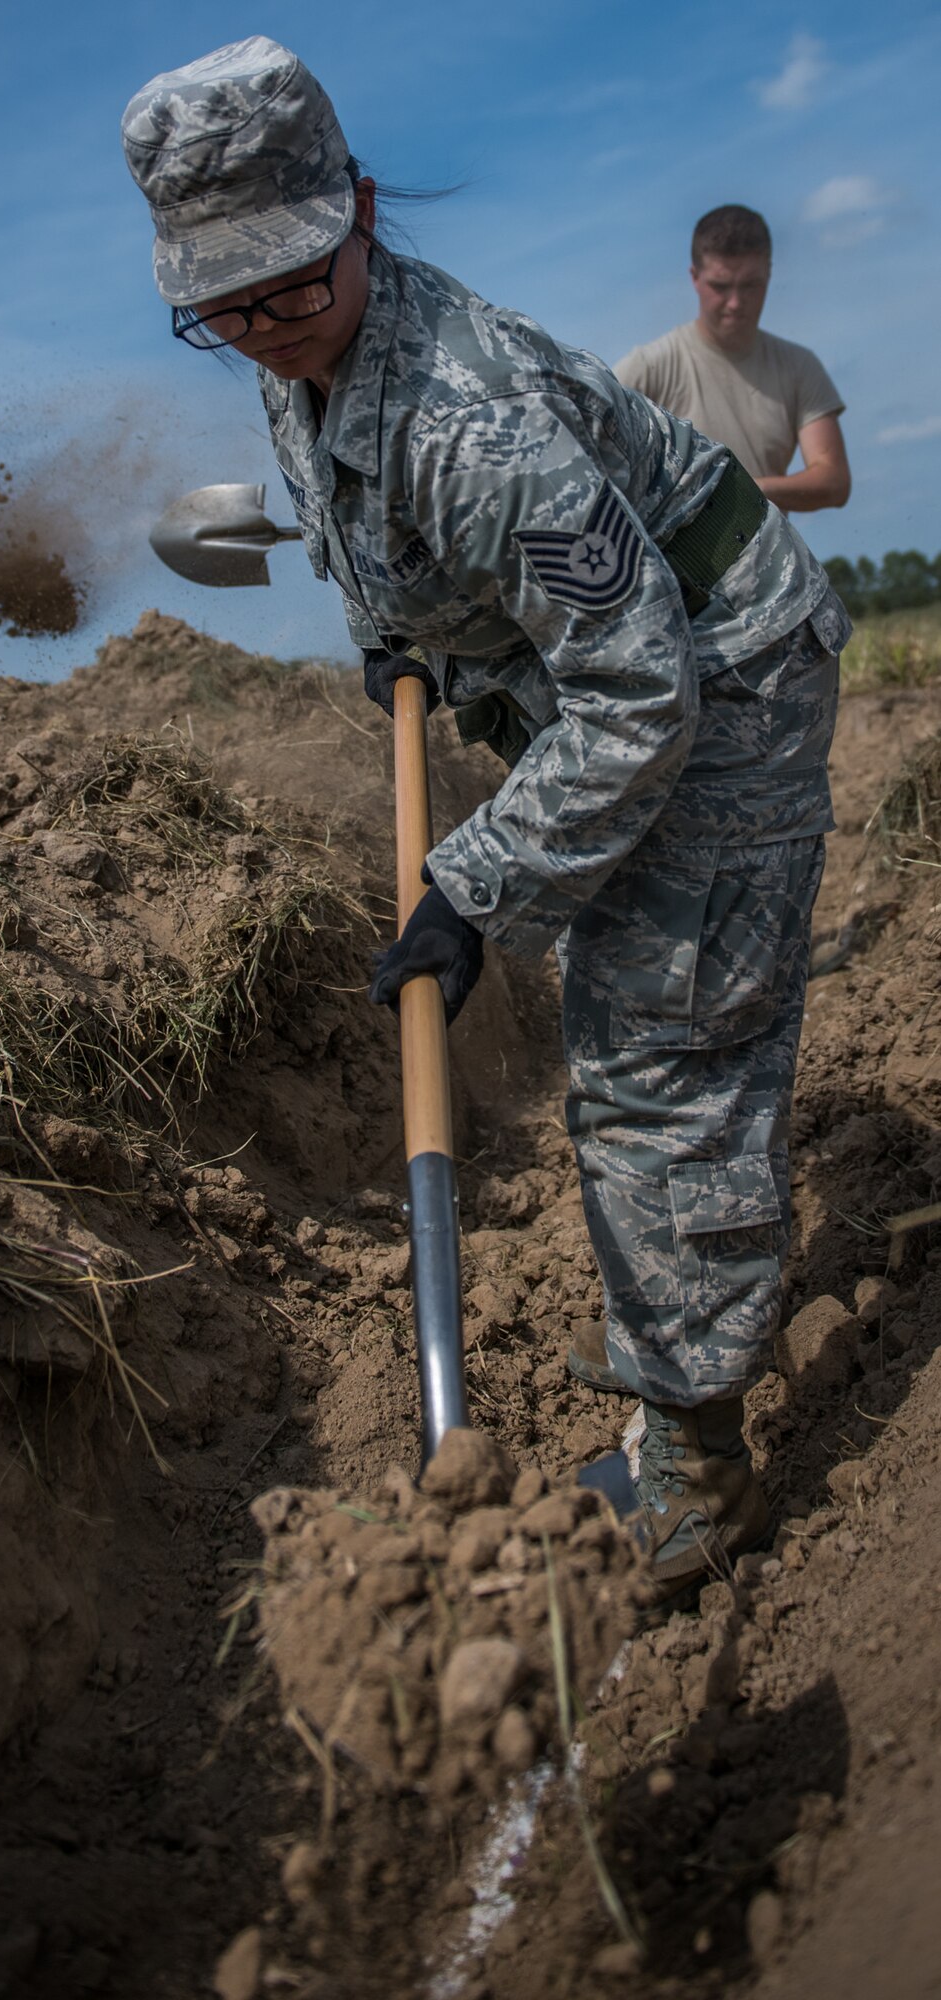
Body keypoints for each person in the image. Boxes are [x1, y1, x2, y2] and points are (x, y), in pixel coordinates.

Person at [122, 39, 851, 1604]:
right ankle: (677, 1349)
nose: (263, 329)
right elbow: (366, 506)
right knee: (638, 1036)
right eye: (224, 306)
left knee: (661, 1050)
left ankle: (694, 1470)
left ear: (358, 215)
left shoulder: (472, 422)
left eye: (291, 288)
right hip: (625, 676)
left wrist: (471, 893)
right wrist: (415, 635)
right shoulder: (296, 355)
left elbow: (642, 692)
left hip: (721, 685)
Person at [614, 205, 851, 516]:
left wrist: (740, 489)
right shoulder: (649, 368)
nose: (736, 303)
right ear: (695, 278)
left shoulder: (800, 367)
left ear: (769, 274)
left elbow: (833, 481)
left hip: (767, 558)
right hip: (666, 563)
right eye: (720, 286)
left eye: (751, 285)